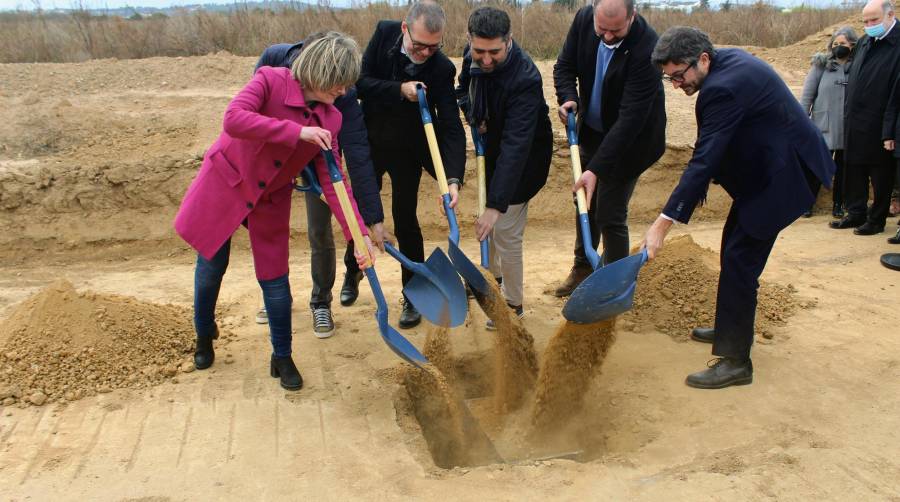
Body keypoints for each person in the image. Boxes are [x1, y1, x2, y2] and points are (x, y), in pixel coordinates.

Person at [173, 33, 374, 391]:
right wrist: (297, 133)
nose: (343, 91)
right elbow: (234, 119)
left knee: (276, 281)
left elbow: (334, 181)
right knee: (211, 268)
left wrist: (357, 237)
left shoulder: (332, 119)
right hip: (227, 183)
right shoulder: (269, 80)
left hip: (271, 197)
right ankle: (203, 335)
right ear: (323, 72)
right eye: (340, 82)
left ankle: (282, 356)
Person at [642, 27, 835, 389]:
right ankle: (731, 324)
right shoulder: (724, 61)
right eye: (668, 78)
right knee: (734, 247)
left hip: (784, 176)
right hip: (770, 168)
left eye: (678, 75)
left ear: (702, 59)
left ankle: (735, 362)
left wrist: (663, 223)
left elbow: (704, 159)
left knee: (740, 258)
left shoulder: (721, 88)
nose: (675, 85)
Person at [253, 33, 387, 339]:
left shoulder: (344, 95)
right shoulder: (273, 59)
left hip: (319, 155)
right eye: (336, 84)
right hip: (275, 156)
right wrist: (292, 139)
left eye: (346, 85)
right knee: (268, 234)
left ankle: (320, 301)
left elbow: (356, 151)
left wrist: (370, 221)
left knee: (319, 230)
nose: (341, 91)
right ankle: (275, 297)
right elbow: (254, 113)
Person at [357, 1, 466, 328]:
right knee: (363, 212)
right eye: (419, 45)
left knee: (406, 218)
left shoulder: (443, 68)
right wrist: (398, 90)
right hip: (371, 141)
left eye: (433, 47)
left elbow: (450, 126)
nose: (424, 53)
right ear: (405, 29)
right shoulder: (383, 33)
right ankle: (353, 273)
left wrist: (453, 177)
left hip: (408, 150)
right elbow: (359, 83)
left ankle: (412, 295)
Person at [552, 0, 666, 297]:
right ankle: (583, 269)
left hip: (631, 142)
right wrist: (568, 98)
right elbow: (564, 66)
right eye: (601, 29)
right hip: (591, 132)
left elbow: (630, 120)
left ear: (633, 16)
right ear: (593, 14)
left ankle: (614, 288)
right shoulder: (583, 21)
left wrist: (595, 169)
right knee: (584, 203)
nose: (607, 36)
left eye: (616, 30)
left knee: (610, 213)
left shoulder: (648, 48)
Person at [455, 7, 552, 328]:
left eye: (493, 52)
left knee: (506, 230)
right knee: (493, 227)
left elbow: (517, 145)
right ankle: (492, 281)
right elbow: (463, 90)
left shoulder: (525, 77)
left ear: (509, 41)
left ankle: (513, 305)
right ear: (469, 40)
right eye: (478, 51)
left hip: (525, 159)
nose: (484, 59)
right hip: (493, 150)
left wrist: (496, 205)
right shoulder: (473, 55)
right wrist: (474, 114)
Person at [830, 0, 900, 235]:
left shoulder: (897, 43)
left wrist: (889, 126)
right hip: (855, 118)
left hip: (881, 119)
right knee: (854, 168)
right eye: (866, 21)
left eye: (874, 20)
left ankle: (876, 219)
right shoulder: (864, 41)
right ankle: (855, 212)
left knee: (880, 173)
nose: (869, 25)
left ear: (891, 15)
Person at [799, 26, 857, 218]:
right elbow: (807, 95)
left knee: (844, 170)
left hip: (849, 128)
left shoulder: (858, 66)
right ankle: (806, 203)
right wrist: (802, 120)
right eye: (836, 43)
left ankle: (839, 204)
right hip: (823, 126)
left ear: (853, 45)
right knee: (817, 166)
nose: (839, 47)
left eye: (843, 43)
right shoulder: (821, 65)